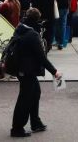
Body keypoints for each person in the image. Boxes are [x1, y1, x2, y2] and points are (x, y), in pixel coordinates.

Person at [10, 8, 61, 138]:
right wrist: (55, 72)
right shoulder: (32, 35)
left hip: (22, 69)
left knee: (35, 93)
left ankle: (35, 122)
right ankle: (17, 128)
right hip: (27, 70)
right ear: (36, 20)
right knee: (25, 99)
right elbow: (42, 57)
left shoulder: (21, 27)